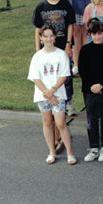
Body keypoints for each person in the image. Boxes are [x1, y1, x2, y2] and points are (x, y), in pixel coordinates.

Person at [27, 25, 77, 165]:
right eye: (46, 36)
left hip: (58, 94)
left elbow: (64, 75)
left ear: (55, 37)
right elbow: (35, 77)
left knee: (61, 123)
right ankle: (52, 151)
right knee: (47, 122)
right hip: (43, 95)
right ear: (41, 38)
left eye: (51, 36)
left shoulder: (61, 54)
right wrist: (47, 93)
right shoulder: (37, 56)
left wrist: (53, 90)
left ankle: (70, 153)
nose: (49, 39)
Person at [32, 0, 76, 118]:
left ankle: (68, 102)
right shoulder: (41, 7)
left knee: (65, 76)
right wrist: (38, 49)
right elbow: (38, 29)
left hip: (63, 46)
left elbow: (70, 25)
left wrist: (69, 44)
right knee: (49, 75)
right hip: (46, 49)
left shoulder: (65, 5)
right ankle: (49, 101)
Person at [78, 18, 103, 162]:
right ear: (90, 34)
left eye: (100, 33)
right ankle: (94, 148)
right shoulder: (85, 50)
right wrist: (91, 86)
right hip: (88, 91)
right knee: (91, 120)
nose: (97, 36)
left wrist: (101, 84)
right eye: (94, 34)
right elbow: (83, 70)